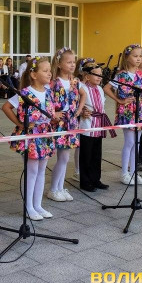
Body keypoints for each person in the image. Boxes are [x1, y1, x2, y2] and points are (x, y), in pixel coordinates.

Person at [2, 56, 55, 220]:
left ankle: (38, 205)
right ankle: (28, 207)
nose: (49, 74)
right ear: (33, 74)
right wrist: (20, 124)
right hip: (31, 135)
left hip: (45, 134)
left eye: (50, 71)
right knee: (32, 171)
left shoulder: (49, 92)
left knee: (41, 170)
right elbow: (6, 107)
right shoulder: (25, 93)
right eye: (45, 71)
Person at [104, 44, 142, 186]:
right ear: (127, 57)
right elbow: (107, 88)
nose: (138, 59)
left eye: (140, 56)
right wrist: (119, 100)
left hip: (139, 111)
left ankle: (134, 173)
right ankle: (124, 173)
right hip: (127, 112)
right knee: (130, 142)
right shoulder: (121, 75)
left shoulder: (141, 74)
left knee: (137, 143)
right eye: (135, 56)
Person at [47, 47, 86, 202]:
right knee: (61, 157)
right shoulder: (53, 82)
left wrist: (79, 110)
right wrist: (53, 113)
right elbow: (46, 100)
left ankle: (60, 187)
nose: (72, 65)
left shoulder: (74, 81)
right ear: (59, 64)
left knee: (65, 157)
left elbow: (83, 94)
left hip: (71, 122)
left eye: (73, 62)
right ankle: (53, 189)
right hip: (59, 122)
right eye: (68, 62)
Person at [78, 61, 115, 191]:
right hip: (87, 125)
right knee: (86, 155)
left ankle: (96, 179)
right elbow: (77, 104)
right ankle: (85, 181)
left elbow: (101, 105)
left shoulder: (99, 89)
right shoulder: (82, 88)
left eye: (101, 75)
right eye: (96, 75)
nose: (100, 77)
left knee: (96, 154)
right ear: (87, 76)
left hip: (98, 125)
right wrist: (82, 111)